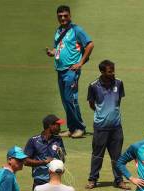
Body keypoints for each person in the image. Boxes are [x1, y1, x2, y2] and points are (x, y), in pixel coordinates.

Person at [45, 5, 94, 139]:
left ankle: (80, 127)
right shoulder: (58, 30)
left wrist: (81, 62)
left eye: (65, 16)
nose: (63, 18)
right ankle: (72, 128)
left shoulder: (76, 30)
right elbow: (59, 48)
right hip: (60, 70)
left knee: (70, 99)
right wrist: (52, 52)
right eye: (60, 16)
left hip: (71, 70)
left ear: (70, 16)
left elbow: (90, 44)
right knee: (65, 101)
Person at [86, 59, 130, 190]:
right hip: (100, 127)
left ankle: (119, 180)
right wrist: (103, 114)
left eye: (113, 70)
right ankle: (92, 179)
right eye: (110, 71)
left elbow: (118, 102)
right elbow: (92, 104)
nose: (113, 73)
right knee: (97, 155)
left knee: (117, 156)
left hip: (116, 127)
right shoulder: (93, 86)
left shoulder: (119, 83)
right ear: (102, 71)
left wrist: (112, 114)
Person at [24, 114, 68, 189]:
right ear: (50, 126)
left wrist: (61, 155)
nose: (60, 128)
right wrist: (44, 162)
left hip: (55, 180)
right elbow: (25, 161)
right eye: (58, 125)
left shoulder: (58, 140)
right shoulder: (34, 140)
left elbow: (62, 160)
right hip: (39, 182)